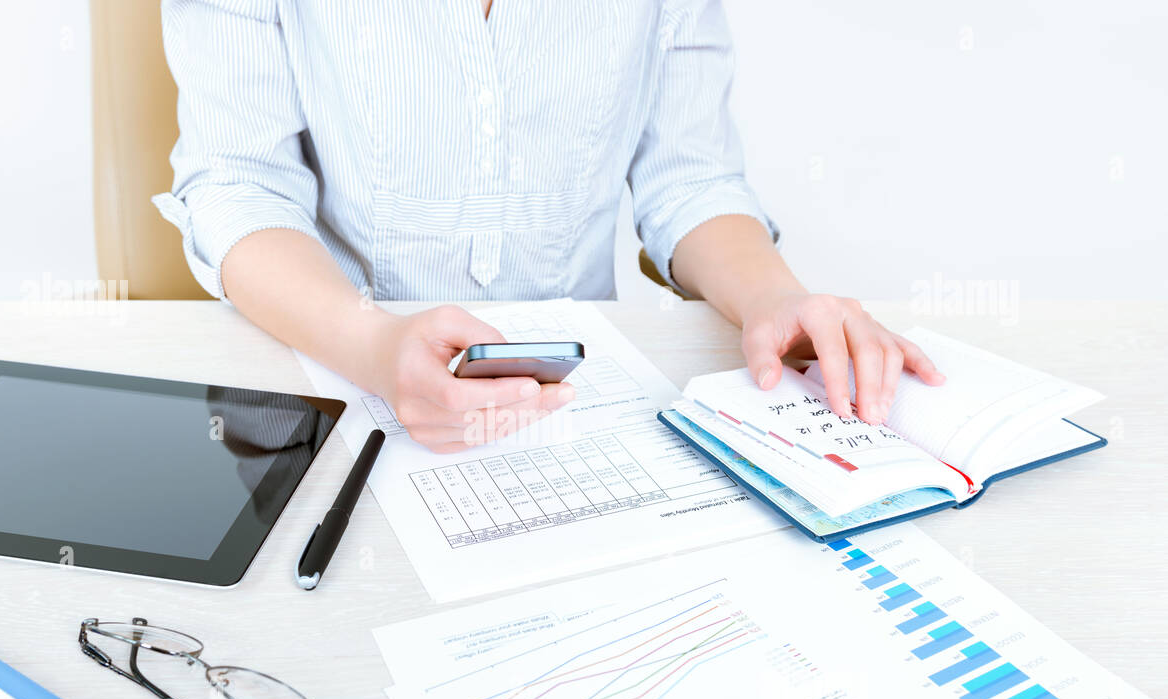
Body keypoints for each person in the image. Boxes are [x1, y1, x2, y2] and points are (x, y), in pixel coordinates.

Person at [155, 0, 943, 453]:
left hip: (578, 406)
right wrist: (374, 346)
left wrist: (773, 296)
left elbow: (689, 175)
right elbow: (240, 181)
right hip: (331, 380)